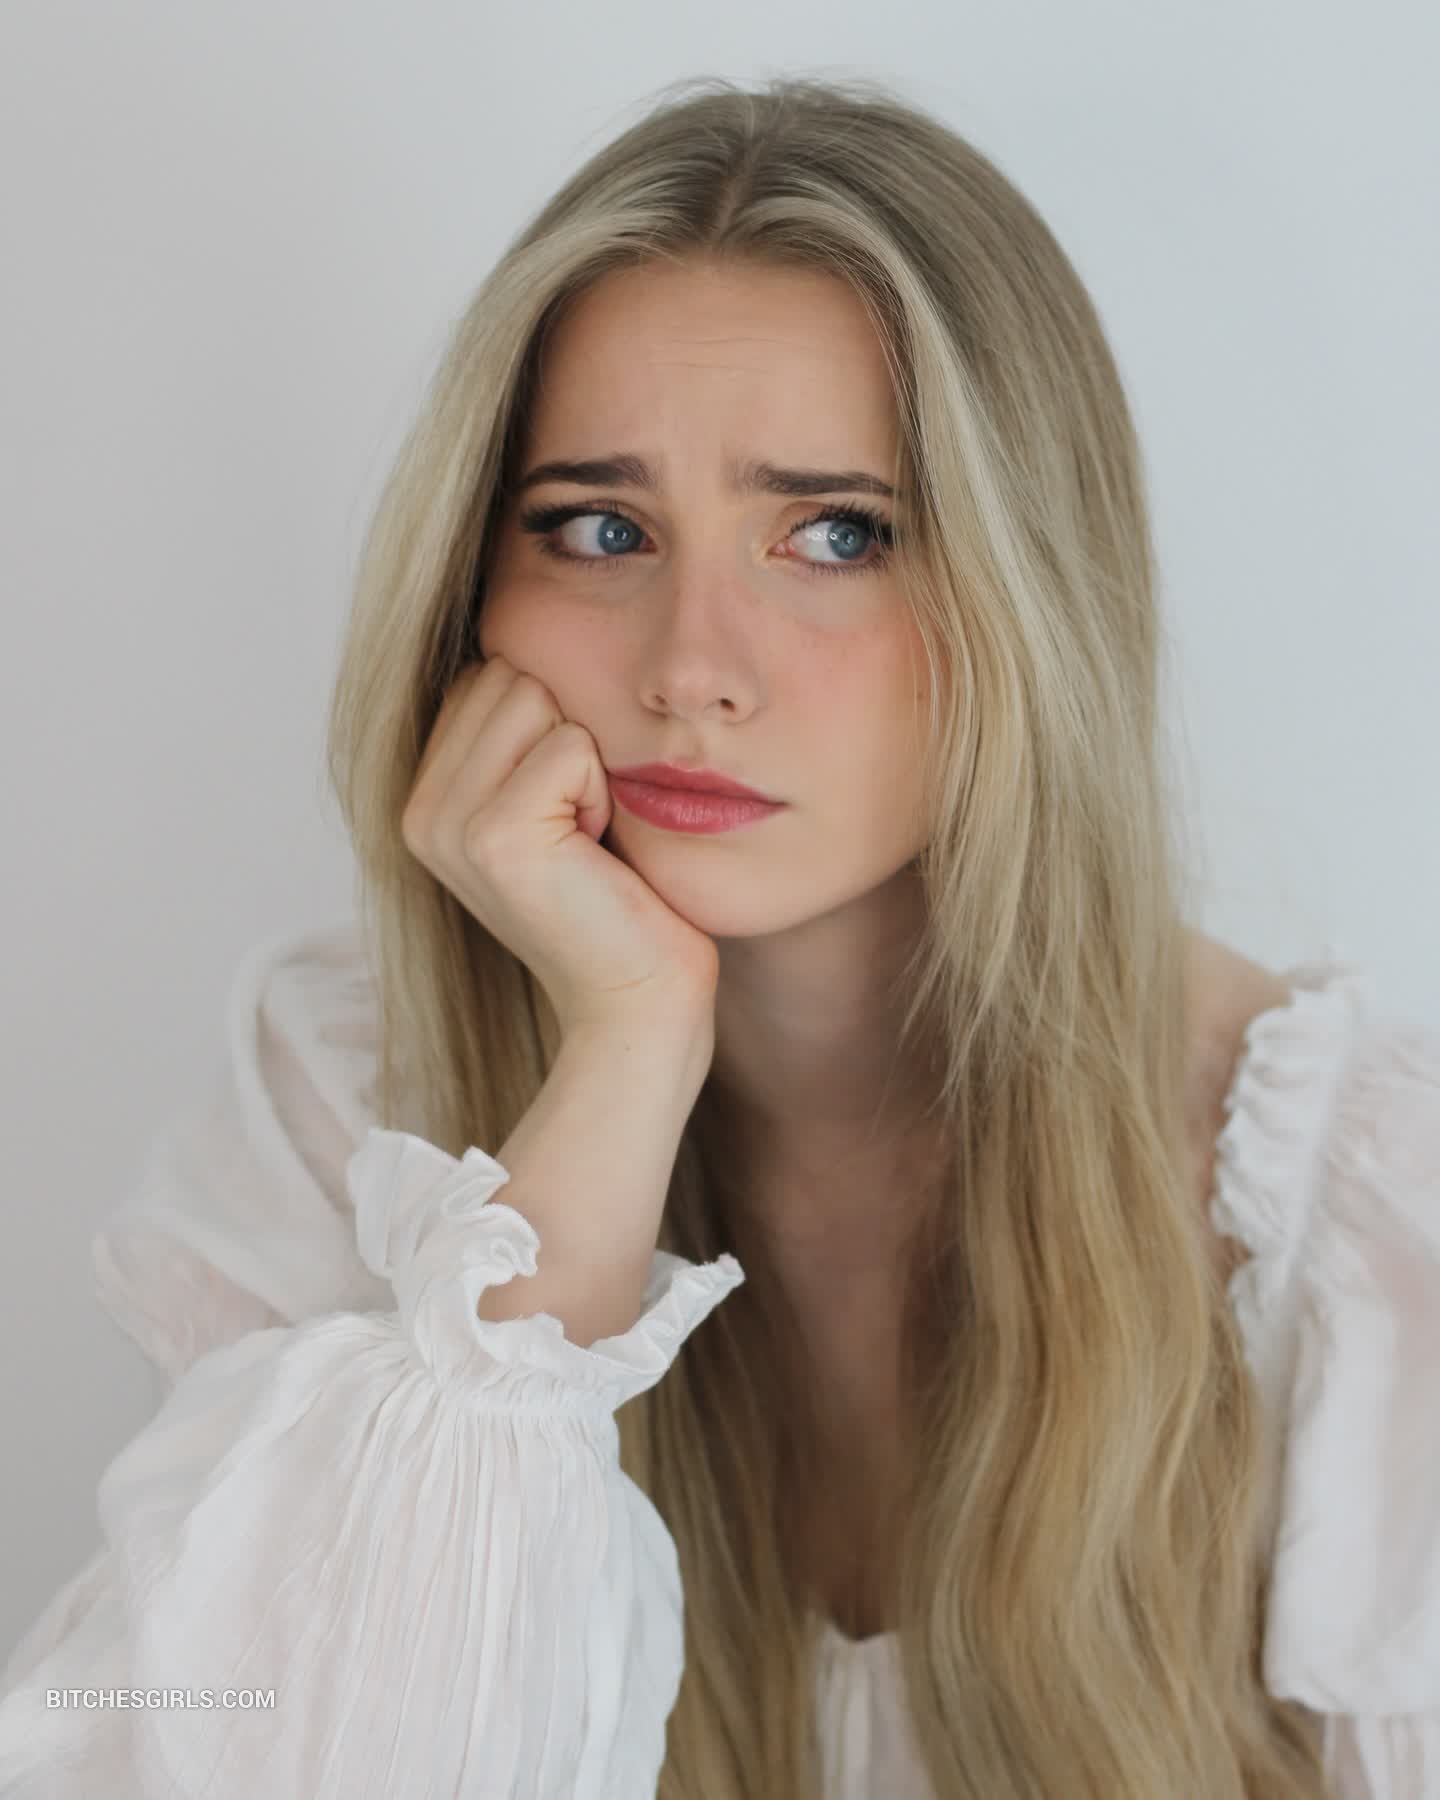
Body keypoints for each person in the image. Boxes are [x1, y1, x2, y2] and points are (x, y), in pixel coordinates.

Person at [2, 73, 1436, 1800]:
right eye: (599, 529)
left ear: (1034, 595)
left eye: (835, 535)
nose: (691, 666)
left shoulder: (1363, 1228)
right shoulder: (356, 1116)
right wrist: (618, 1057)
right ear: (473, 596)